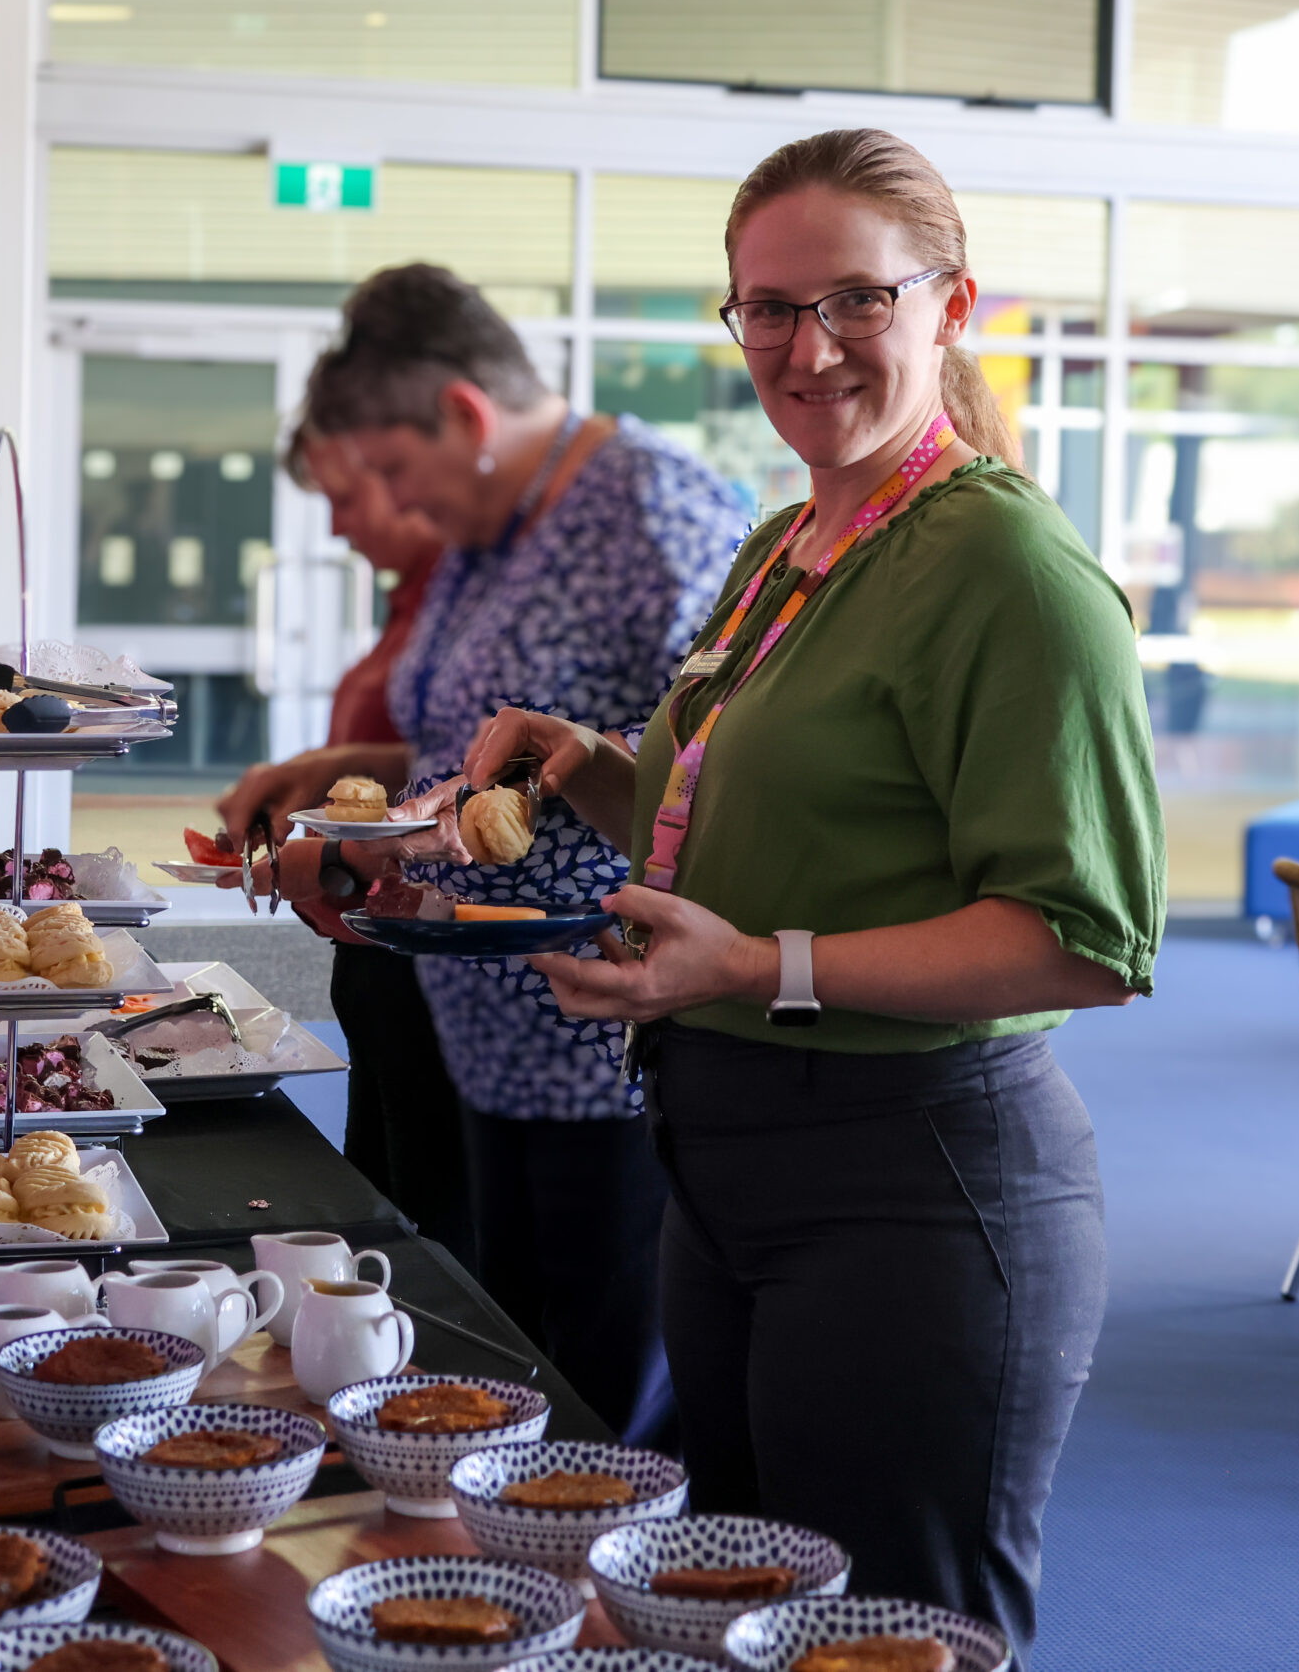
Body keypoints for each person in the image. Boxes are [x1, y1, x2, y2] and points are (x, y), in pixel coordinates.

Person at [459, 130, 1164, 1663]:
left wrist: (757, 966)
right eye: (768, 308)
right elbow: (725, 811)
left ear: (952, 302)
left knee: (893, 1635)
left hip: (915, 1183)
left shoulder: (1009, 572)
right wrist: (582, 764)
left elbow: (1082, 942)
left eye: (857, 299)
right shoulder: (794, 540)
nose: (809, 346)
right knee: (744, 1619)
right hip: (728, 1169)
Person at [288, 261, 746, 1448]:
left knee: (600, 1410)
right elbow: (468, 751)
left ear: (466, 416)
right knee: (507, 1373)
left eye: (394, 471)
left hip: (606, 1042)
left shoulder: (654, 510)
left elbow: (729, 768)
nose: (397, 506)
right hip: (488, 1036)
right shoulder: (499, 524)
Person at [214, 427, 473, 1269]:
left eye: (349, 497)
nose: (335, 527)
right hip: (374, 960)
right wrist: (310, 787)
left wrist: (316, 860)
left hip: (431, 966)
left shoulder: (462, 612)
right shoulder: (414, 606)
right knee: (379, 1221)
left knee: (426, 1243)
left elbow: (460, 795)